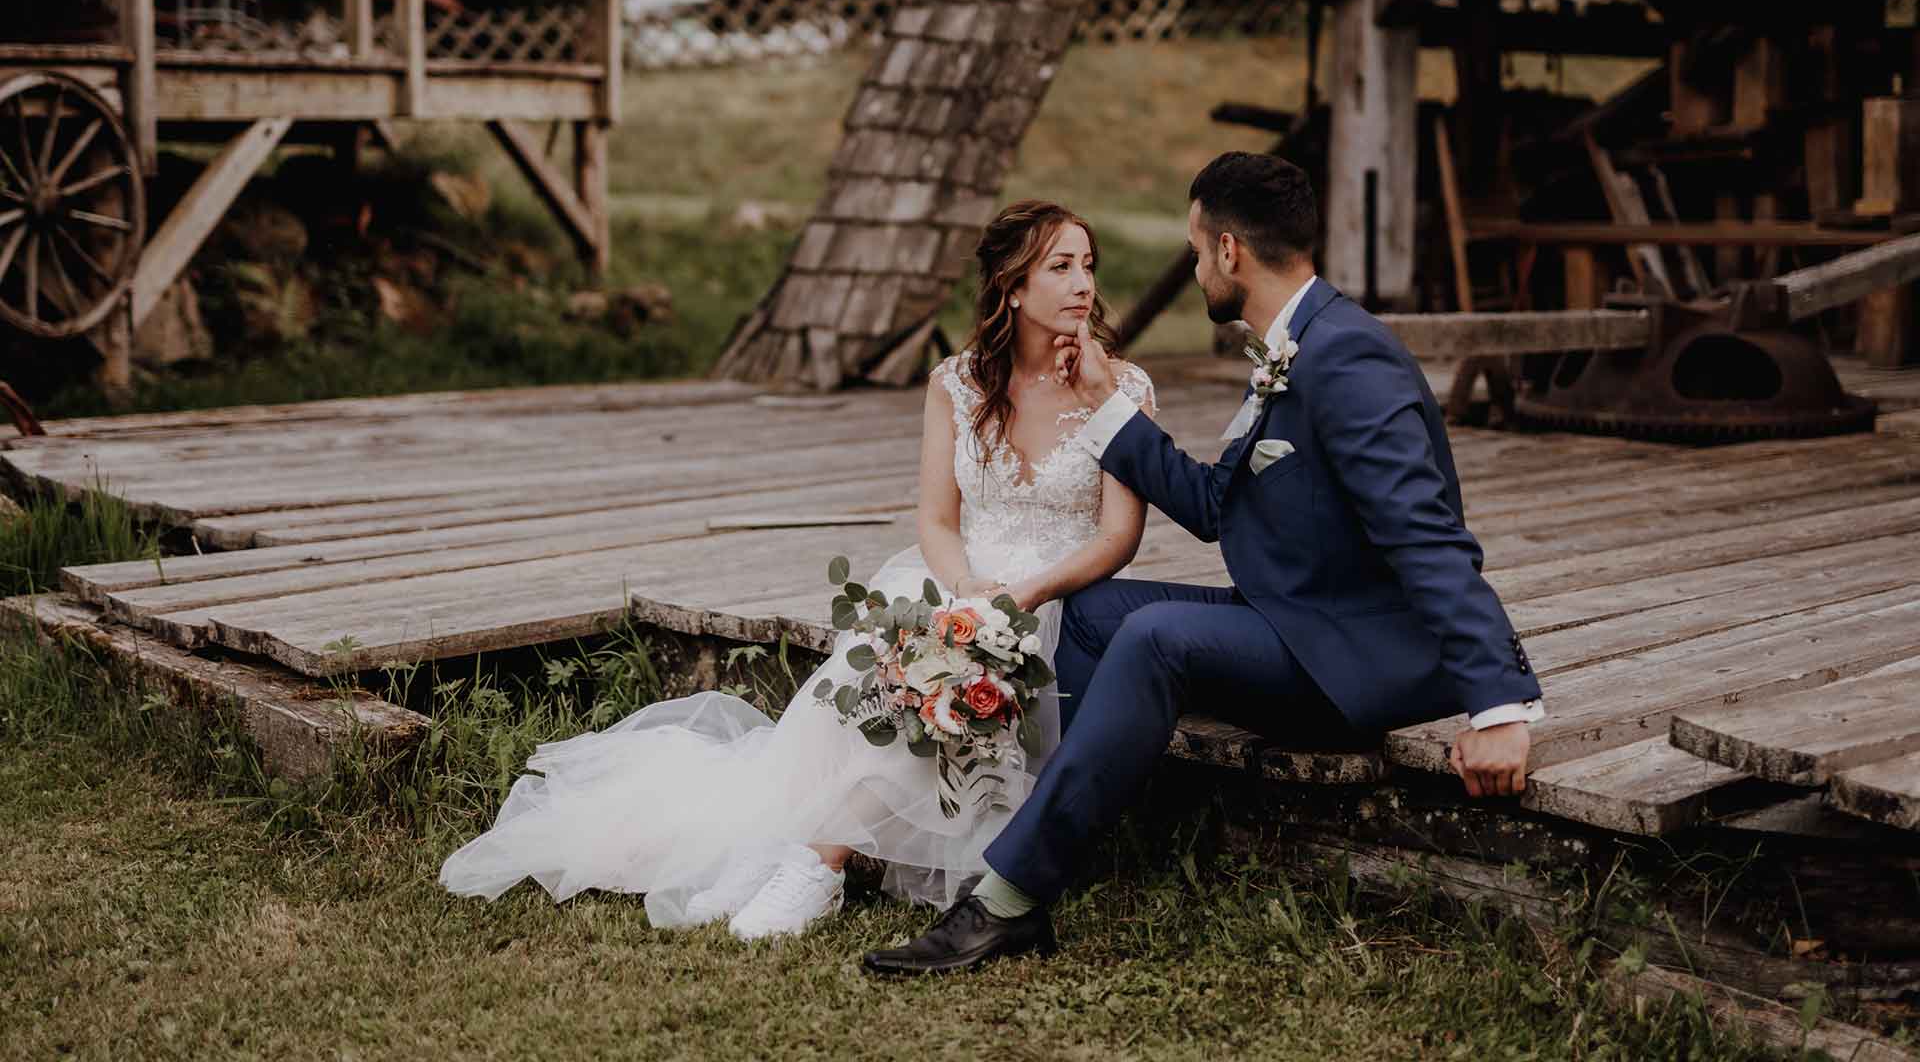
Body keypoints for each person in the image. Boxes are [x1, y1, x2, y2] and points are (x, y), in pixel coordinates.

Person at [862, 152, 1545, 976]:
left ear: (1229, 252)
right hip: (1299, 613)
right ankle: (1067, 822)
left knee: (1155, 638)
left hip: (1357, 654)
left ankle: (1006, 902)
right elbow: (1220, 504)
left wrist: (1499, 706)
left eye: (1194, 250)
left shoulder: (1347, 359)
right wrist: (1108, 402)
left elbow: (1427, 536)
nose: (1192, 268)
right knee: (1095, 610)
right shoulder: (1296, 345)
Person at [440, 201, 1157, 940]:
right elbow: (939, 522)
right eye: (1060, 266)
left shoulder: (1121, 386)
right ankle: (793, 850)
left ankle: (818, 863)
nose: (1083, 284)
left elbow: (1118, 537)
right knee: (901, 649)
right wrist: (962, 587)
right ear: (1012, 286)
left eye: (1088, 265)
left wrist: (1023, 593)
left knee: (956, 658)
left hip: (1060, 591)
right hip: (963, 577)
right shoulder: (956, 383)